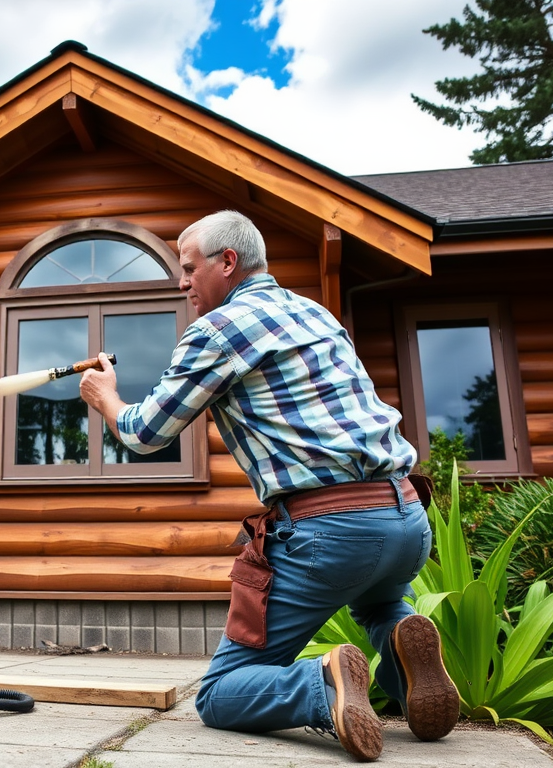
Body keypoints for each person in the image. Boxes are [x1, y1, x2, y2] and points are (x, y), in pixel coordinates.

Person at [79, 210, 460, 762]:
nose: (181, 282)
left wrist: (105, 397)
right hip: (404, 515)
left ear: (226, 262)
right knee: (381, 604)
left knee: (220, 693)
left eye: (188, 268)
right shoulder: (314, 313)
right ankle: (408, 668)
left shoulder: (217, 329)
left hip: (332, 530)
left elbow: (145, 433)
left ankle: (321, 687)